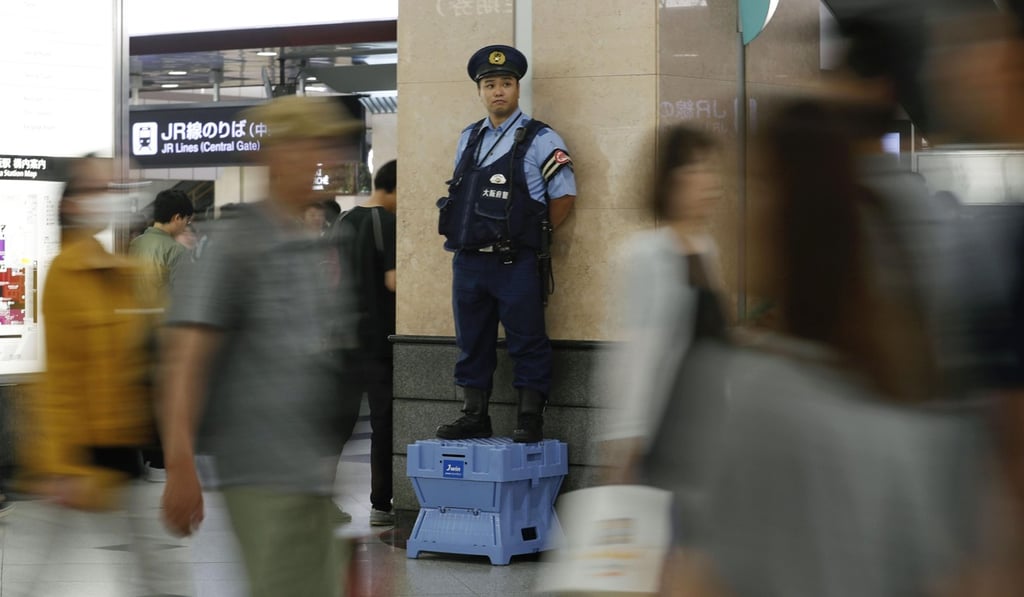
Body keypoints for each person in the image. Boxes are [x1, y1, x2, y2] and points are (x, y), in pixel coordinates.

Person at [159, 96, 363, 597]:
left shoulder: (313, 243)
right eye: (312, 147)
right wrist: (180, 465)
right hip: (259, 471)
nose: (324, 160)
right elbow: (186, 360)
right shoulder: (234, 244)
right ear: (277, 155)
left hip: (309, 471)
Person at [20, 155, 191, 595]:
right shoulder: (66, 274)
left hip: (121, 439)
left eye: (115, 189)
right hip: (79, 451)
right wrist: (59, 466)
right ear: (74, 204)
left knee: (155, 569)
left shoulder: (121, 269)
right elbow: (58, 378)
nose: (113, 199)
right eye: (100, 190)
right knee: (44, 568)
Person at [435, 44, 576, 443]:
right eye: (490, 84)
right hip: (468, 262)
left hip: (515, 262)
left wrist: (534, 234)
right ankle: (474, 413)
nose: (498, 91)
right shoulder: (470, 137)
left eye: (506, 84)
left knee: (527, 339)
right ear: (480, 91)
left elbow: (564, 196)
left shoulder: (542, 138)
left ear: (517, 89)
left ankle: (530, 418)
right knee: (471, 342)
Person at [598, 126, 726, 485]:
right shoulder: (645, 255)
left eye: (710, 168)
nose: (708, 181)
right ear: (668, 180)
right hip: (660, 438)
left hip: (705, 432)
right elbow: (637, 357)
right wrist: (625, 445)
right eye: (693, 169)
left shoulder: (705, 249)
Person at [337, 159, 397, 526]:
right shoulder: (387, 224)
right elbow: (392, 281)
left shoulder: (342, 221)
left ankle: (318, 500)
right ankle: (380, 504)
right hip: (378, 339)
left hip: (342, 338)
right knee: (383, 421)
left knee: (336, 421)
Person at [129, 188, 195, 482]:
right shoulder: (176, 251)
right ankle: (160, 459)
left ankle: (143, 456)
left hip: (135, 331)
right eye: (186, 221)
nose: (186, 227)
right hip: (165, 333)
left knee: (143, 395)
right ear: (177, 217)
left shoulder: (136, 245)